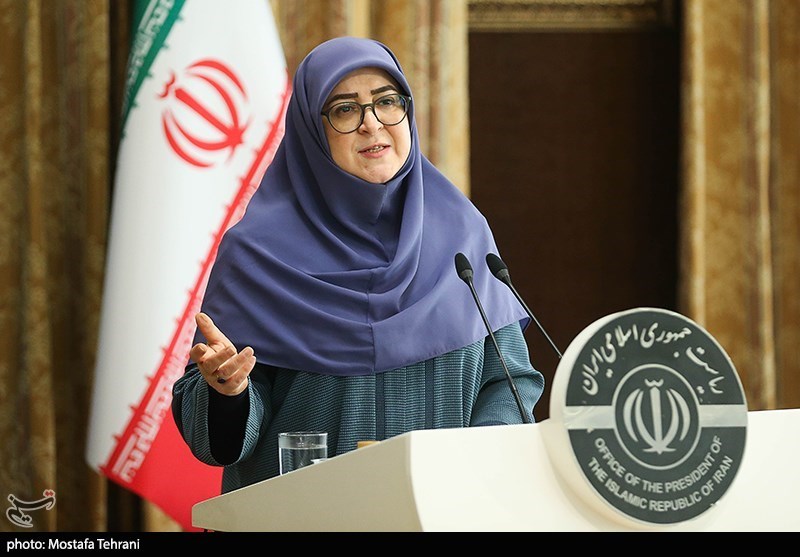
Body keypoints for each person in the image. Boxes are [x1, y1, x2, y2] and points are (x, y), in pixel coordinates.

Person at [172, 36, 545, 494]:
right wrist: (229, 394)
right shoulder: (256, 254)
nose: (372, 124)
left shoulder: (463, 235)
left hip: (442, 509)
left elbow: (509, 380)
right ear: (311, 130)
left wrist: (474, 473)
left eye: (387, 102)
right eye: (345, 109)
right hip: (305, 515)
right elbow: (216, 437)